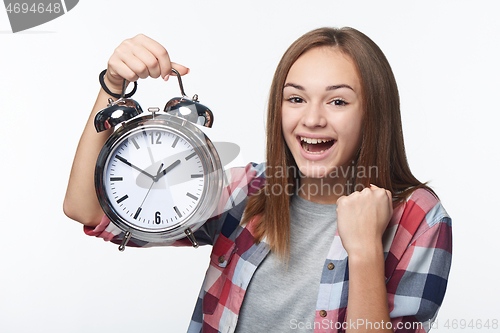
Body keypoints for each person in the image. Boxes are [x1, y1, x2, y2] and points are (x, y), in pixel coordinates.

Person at [64, 27, 452, 333]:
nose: (312, 119)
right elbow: (86, 208)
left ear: (373, 112)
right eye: (296, 98)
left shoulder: (419, 218)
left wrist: (366, 251)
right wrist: (112, 85)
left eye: (337, 101)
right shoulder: (249, 190)